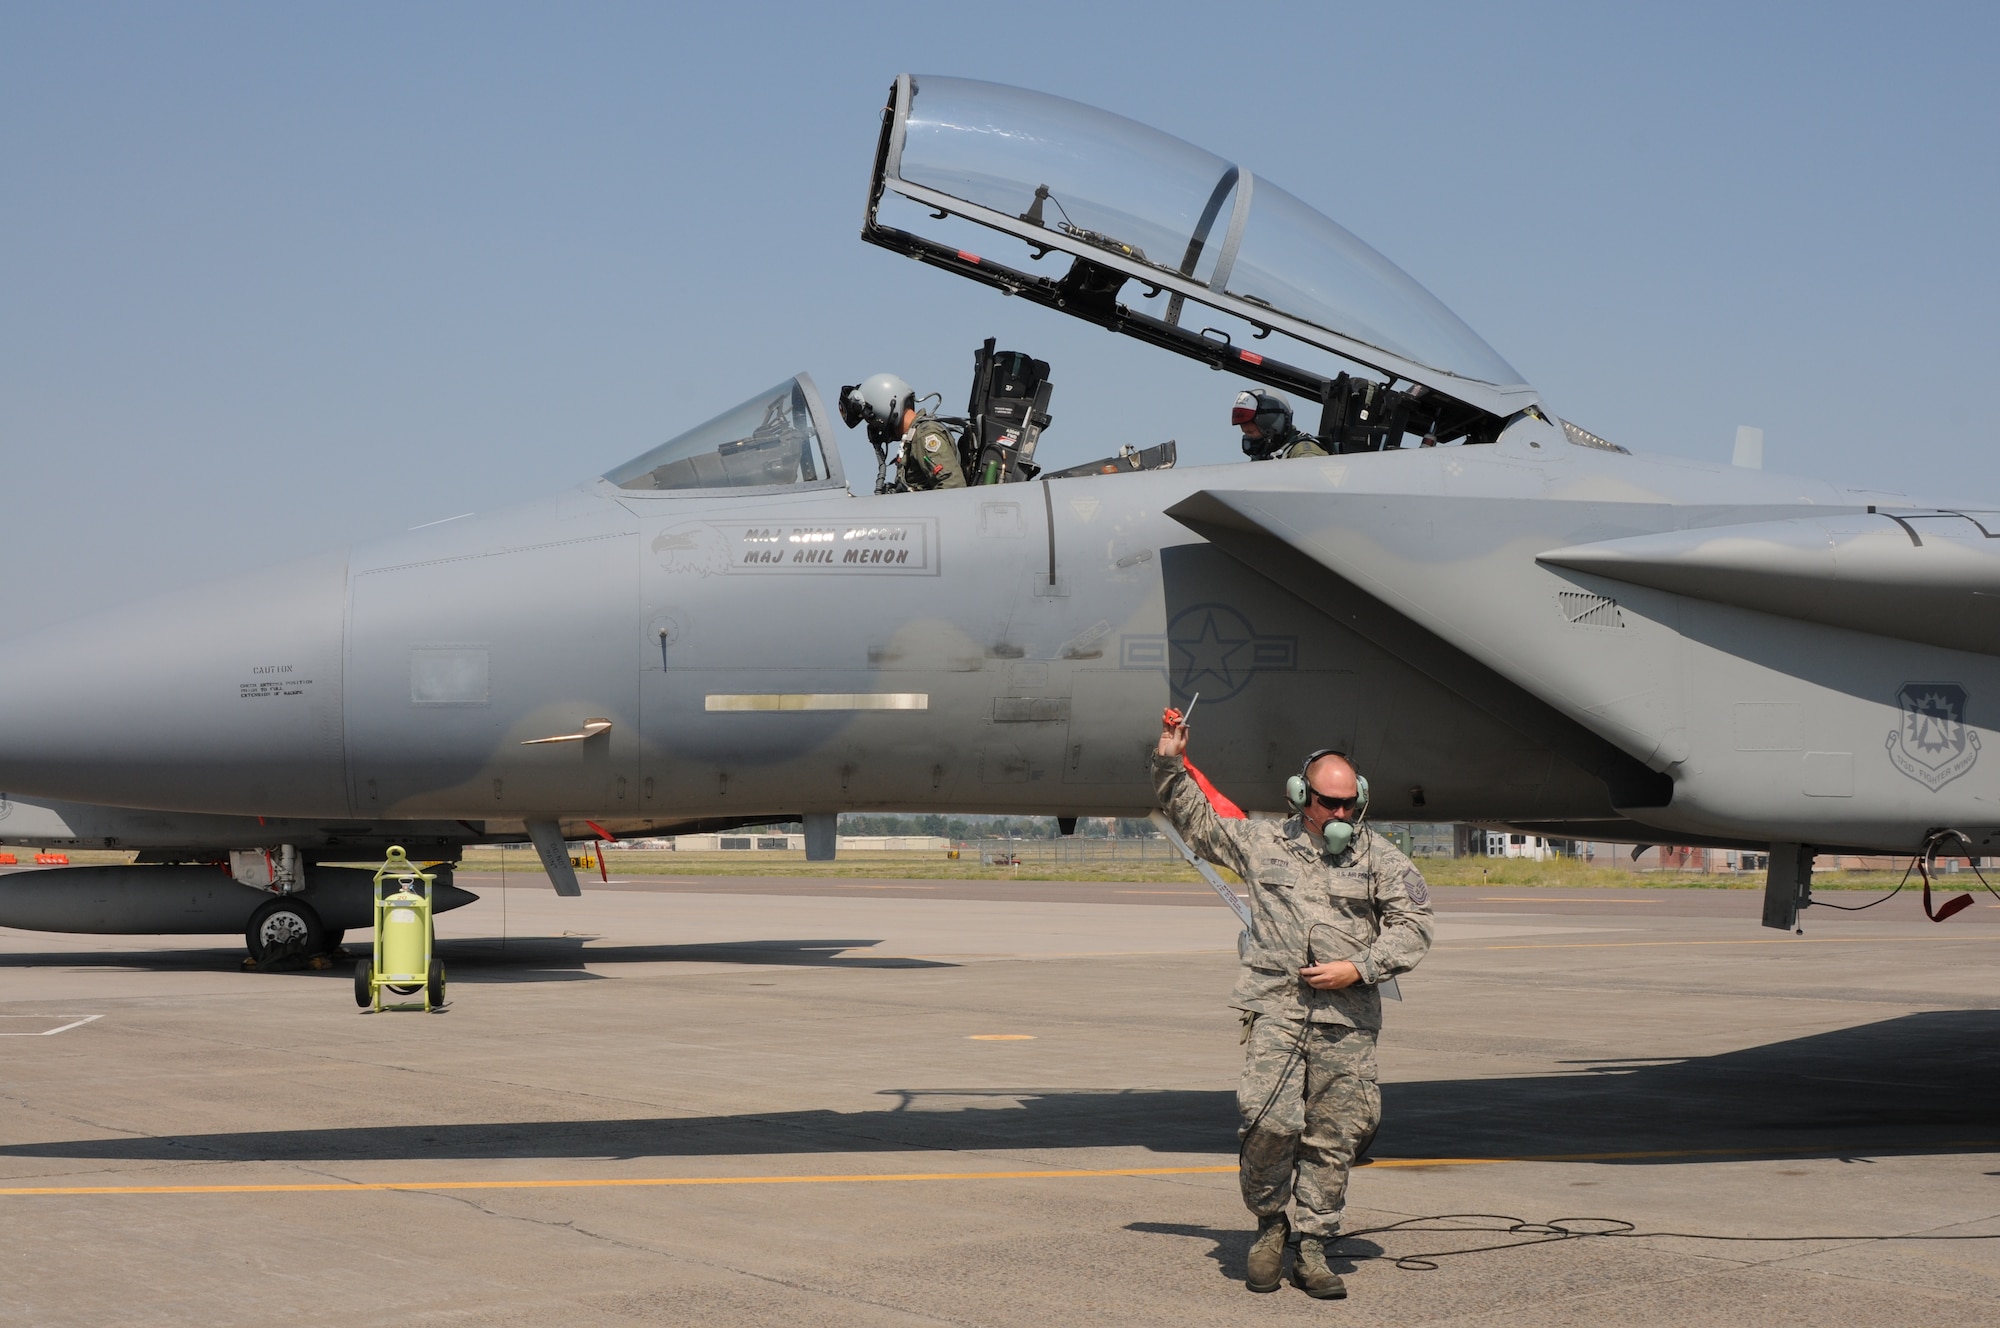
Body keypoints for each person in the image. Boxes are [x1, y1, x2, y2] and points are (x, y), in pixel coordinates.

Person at [1153, 722, 1433, 1300]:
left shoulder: (1378, 857)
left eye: (1350, 801)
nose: (1341, 812)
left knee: (1336, 1137)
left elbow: (1415, 927)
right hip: (1276, 1010)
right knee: (1268, 1122)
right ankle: (1268, 1224)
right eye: (1328, 801)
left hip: (1347, 1022)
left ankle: (1311, 1243)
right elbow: (1199, 825)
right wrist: (1169, 763)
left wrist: (1359, 969)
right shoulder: (1264, 844)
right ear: (1300, 797)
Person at [840, 374, 966, 492]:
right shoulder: (912, 439)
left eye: (870, 420)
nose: (872, 427)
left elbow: (953, 486)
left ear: (882, 407)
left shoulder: (925, 435)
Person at [1233, 389, 1328, 460]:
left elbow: (1312, 483)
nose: (1247, 437)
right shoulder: (1267, 457)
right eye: (1245, 432)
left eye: (1250, 432)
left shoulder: (1303, 452)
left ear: (1270, 428)